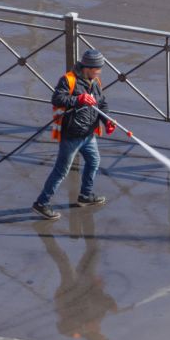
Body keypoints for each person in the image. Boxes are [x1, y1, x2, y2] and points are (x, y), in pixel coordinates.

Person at [32, 49, 115, 220]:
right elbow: (57, 99)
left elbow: (102, 103)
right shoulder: (68, 80)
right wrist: (78, 100)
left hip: (89, 134)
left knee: (94, 162)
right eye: (97, 68)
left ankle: (85, 195)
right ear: (88, 67)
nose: (99, 71)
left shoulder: (95, 81)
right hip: (72, 135)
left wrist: (107, 120)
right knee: (61, 171)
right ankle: (42, 203)